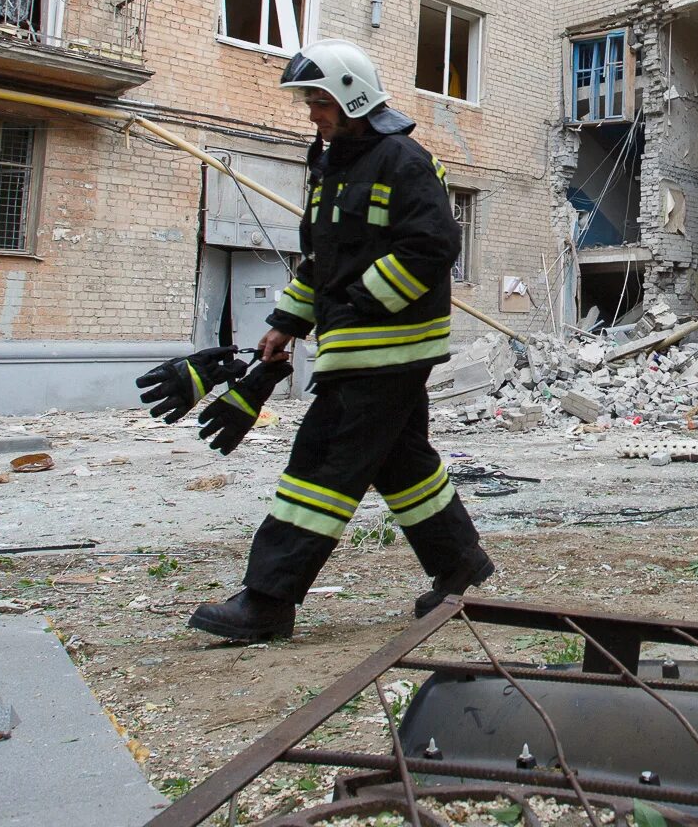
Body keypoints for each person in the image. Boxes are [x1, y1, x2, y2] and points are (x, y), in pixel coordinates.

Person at [172, 39, 493, 641]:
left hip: (387, 351)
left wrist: (360, 304)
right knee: (402, 464)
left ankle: (269, 599)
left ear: (353, 96)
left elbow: (432, 247)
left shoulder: (404, 161)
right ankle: (459, 565)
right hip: (359, 347)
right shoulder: (330, 170)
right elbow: (318, 262)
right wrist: (285, 325)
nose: (312, 113)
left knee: (318, 467)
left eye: (319, 101)